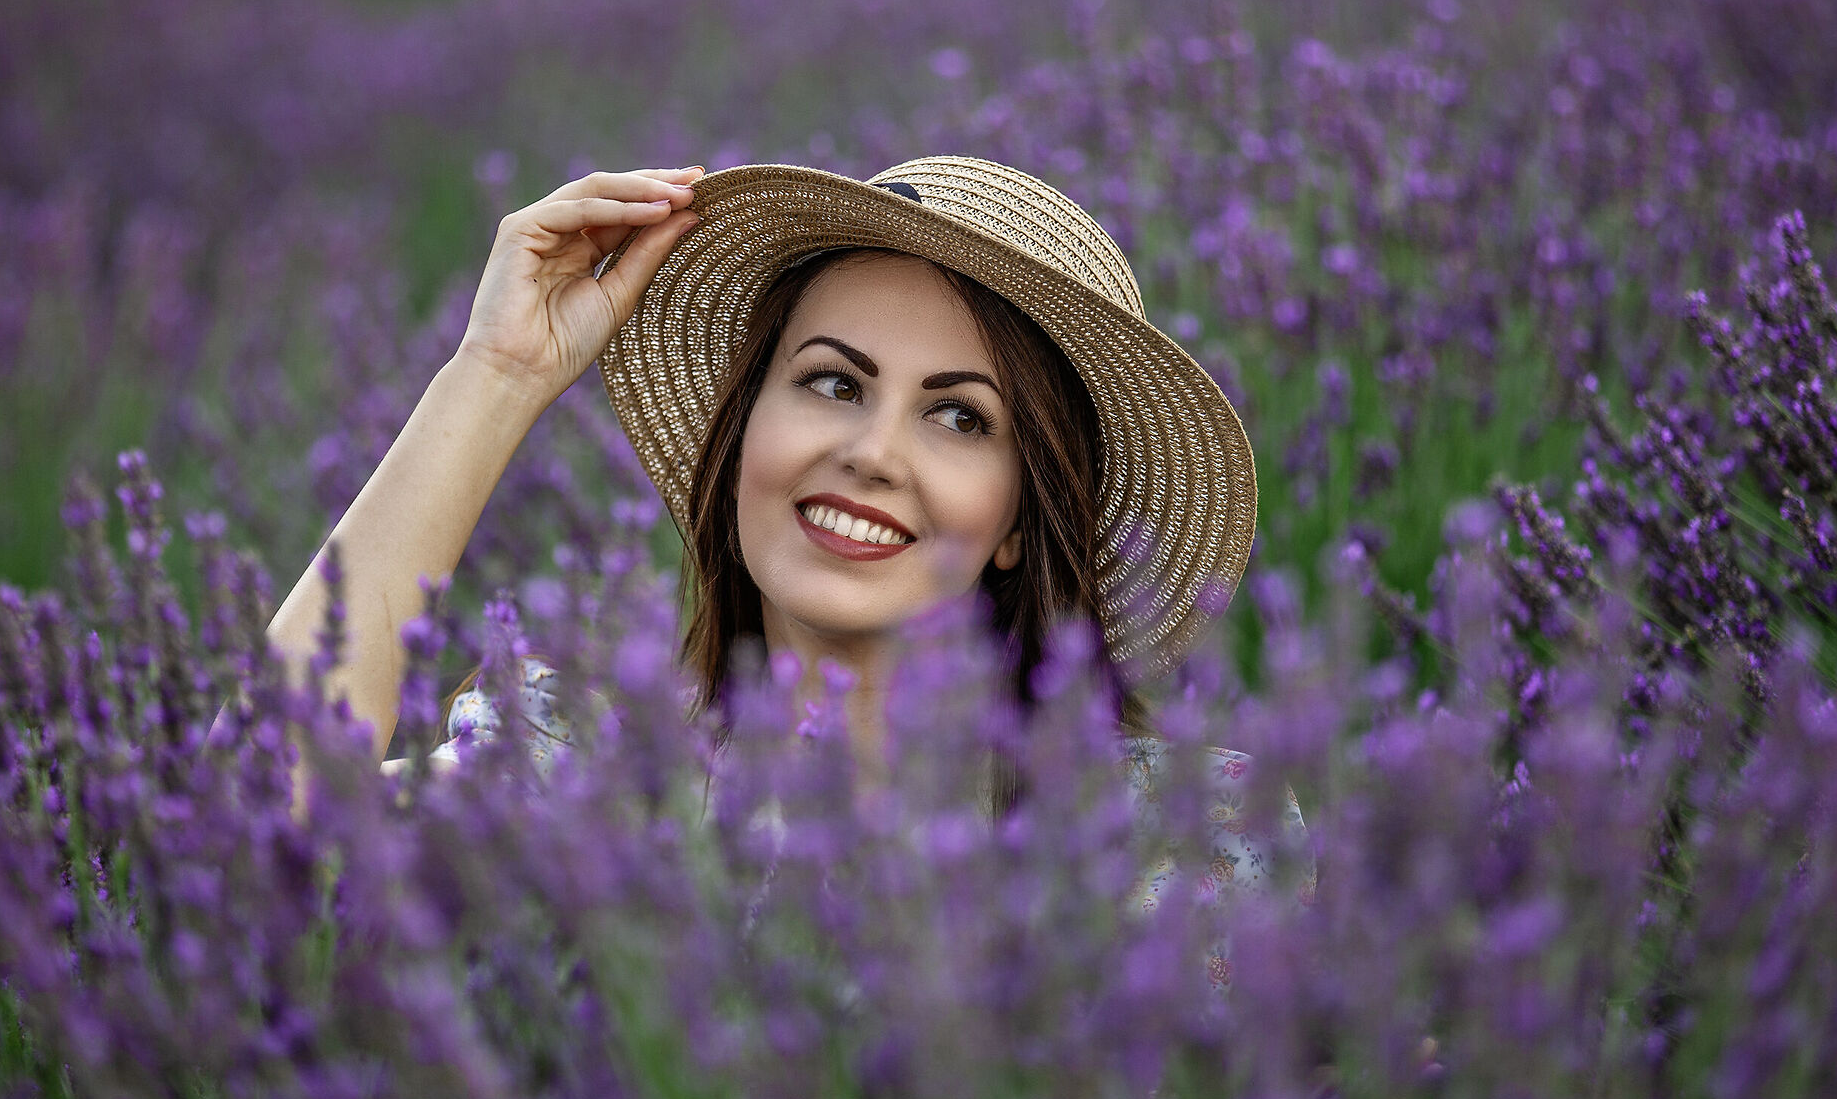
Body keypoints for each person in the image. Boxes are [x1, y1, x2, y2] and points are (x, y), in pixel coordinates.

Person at [263, 156, 1289, 894]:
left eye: (958, 415)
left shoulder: (1172, 831)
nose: (874, 452)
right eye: (834, 382)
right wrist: (495, 376)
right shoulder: (592, 763)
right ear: (746, 428)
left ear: (1021, 521)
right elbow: (249, 834)